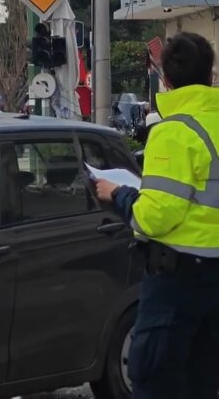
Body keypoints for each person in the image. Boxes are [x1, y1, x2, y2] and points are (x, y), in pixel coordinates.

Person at [95, 32, 219, 399]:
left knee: (155, 381)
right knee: (203, 383)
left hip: (177, 282)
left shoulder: (173, 132)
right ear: (211, 76)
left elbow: (155, 217)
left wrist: (117, 194)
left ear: (164, 79)